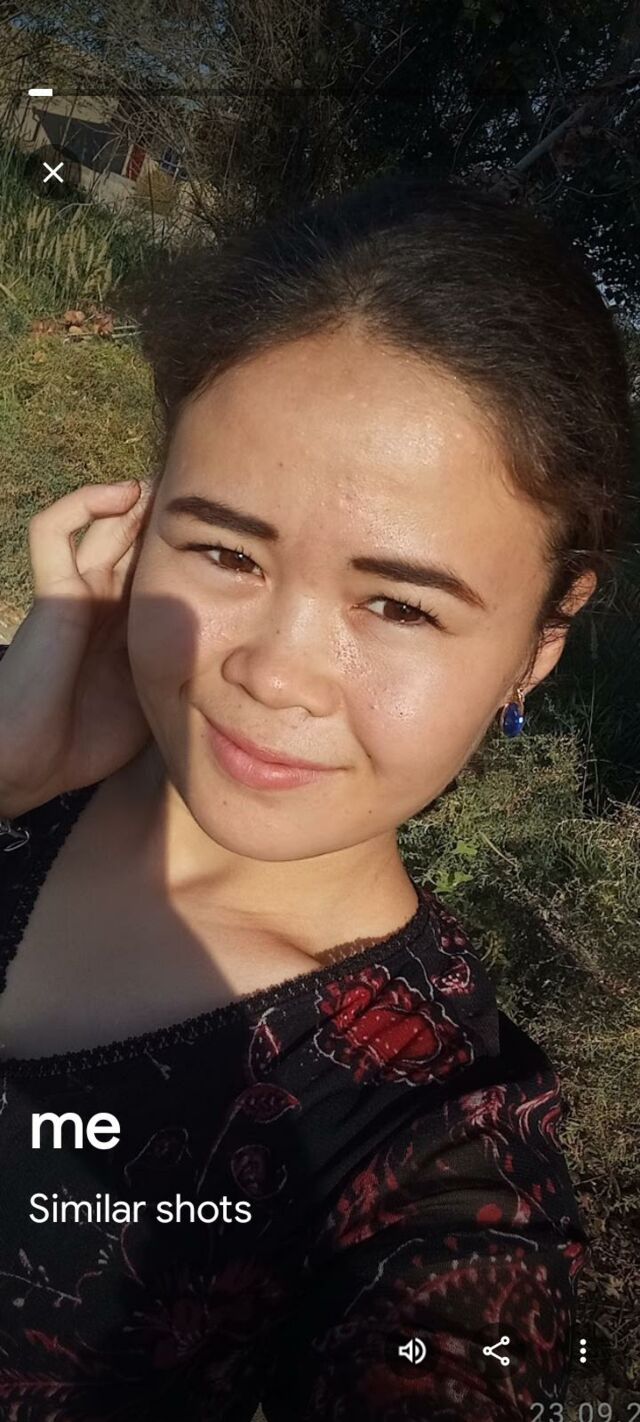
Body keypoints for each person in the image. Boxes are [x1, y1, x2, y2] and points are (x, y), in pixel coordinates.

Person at [0, 172, 633, 1421]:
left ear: (540, 644)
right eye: (224, 550)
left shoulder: (429, 1135)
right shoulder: (24, 767)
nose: (272, 674)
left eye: (398, 604)